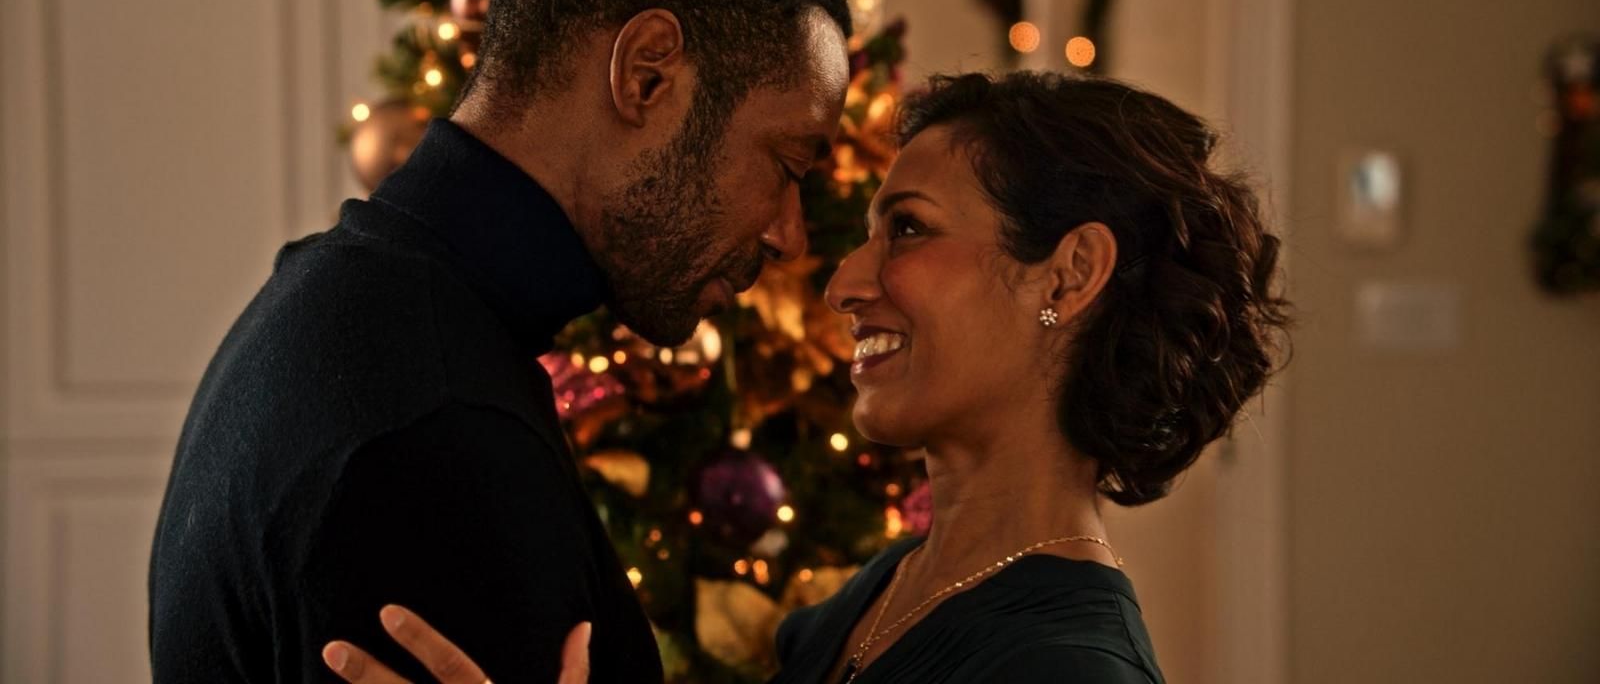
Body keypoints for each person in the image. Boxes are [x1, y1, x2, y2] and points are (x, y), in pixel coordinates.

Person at [316, 71, 1293, 683]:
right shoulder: (892, 587)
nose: (842, 281)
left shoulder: (1064, 668)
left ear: (1069, 273)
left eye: (906, 228)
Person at [146, 0, 850, 680]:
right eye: (787, 166)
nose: (789, 235)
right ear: (647, 74)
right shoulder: (436, 426)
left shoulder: (344, 298)